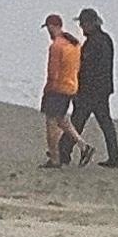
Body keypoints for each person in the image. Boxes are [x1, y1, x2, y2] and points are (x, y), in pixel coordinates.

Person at [69, 6, 118, 169]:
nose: (81, 27)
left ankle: (63, 152)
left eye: (83, 24)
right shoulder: (105, 39)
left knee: (77, 121)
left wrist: (78, 89)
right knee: (104, 123)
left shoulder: (95, 43)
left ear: (91, 24)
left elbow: (88, 69)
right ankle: (115, 157)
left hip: (91, 91)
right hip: (101, 90)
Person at [39, 13, 84, 166]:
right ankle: (83, 145)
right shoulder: (74, 44)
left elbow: (53, 73)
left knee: (51, 123)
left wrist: (47, 90)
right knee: (62, 119)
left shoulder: (56, 46)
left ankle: (54, 158)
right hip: (71, 86)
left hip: (57, 88)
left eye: (48, 28)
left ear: (52, 27)